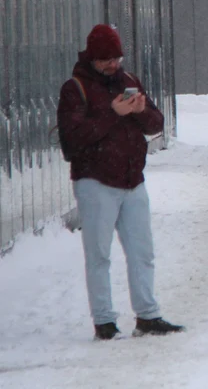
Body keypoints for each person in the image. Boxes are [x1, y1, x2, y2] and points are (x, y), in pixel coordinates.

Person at [56, 24, 184, 340]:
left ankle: (148, 315)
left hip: (132, 181)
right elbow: (71, 141)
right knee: (99, 254)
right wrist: (112, 113)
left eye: (116, 57)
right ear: (92, 58)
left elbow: (156, 124)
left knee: (142, 251)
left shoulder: (128, 82)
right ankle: (104, 321)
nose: (113, 64)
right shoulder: (75, 89)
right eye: (106, 59)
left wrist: (140, 112)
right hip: (95, 182)